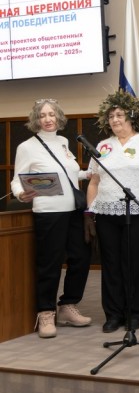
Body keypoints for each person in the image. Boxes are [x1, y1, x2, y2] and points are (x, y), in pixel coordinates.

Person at [86, 90, 139, 333]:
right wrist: (91, 212)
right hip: (106, 213)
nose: (114, 120)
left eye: (119, 115)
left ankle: (135, 313)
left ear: (132, 117)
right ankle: (113, 314)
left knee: (135, 264)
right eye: (111, 116)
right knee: (111, 265)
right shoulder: (103, 146)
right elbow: (93, 182)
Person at [11, 99, 92, 338]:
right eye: (43, 115)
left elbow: (69, 173)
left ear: (59, 117)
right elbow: (16, 179)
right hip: (48, 212)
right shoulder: (27, 147)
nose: (48, 119)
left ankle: (68, 305)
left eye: (52, 114)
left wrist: (89, 173)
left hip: (74, 211)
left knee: (81, 258)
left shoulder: (63, 142)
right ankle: (45, 312)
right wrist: (20, 193)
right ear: (36, 119)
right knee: (50, 264)